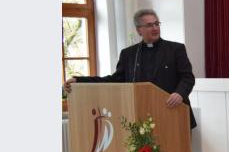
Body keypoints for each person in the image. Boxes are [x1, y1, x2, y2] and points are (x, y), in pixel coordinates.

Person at [63, 9, 196, 128]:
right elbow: (114, 80)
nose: (155, 28)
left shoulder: (175, 49)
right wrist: (79, 80)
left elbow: (187, 77)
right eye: (149, 25)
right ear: (139, 30)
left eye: (157, 24)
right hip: (143, 116)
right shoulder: (129, 54)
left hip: (174, 112)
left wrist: (179, 93)